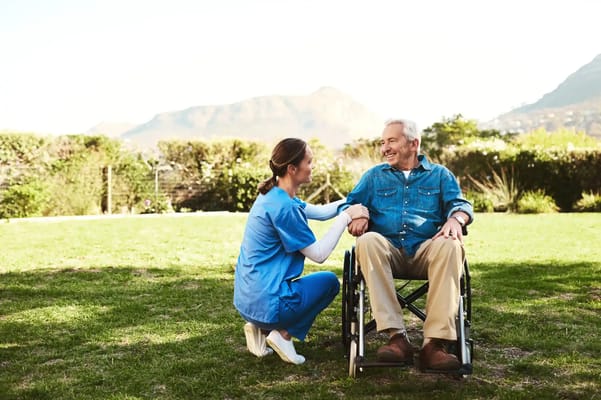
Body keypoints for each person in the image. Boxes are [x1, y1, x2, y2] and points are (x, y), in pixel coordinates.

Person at [340, 118, 474, 371]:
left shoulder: (440, 175)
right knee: (367, 241)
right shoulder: (373, 177)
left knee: (451, 244)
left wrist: (456, 220)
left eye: (392, 141)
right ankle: (397, 338)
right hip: (386, 251)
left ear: (414, 144)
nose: (385, 148)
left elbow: (461, 204)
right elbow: (348, 204)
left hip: (426, 250)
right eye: (382, 142)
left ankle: (434, 345)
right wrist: (358, 213)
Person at [233, 138, 369, 365]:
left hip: (247, 299)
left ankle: (259, 327)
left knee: (297, 287)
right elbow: (319, 255)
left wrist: (353, 202)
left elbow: (323, 212)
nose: (312, 166)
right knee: (329, 283)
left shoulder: (273, 195)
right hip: (268, 301)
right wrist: (347, 216)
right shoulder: (284, 208)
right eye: (309, 161)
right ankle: (282, 334)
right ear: (292, 169)